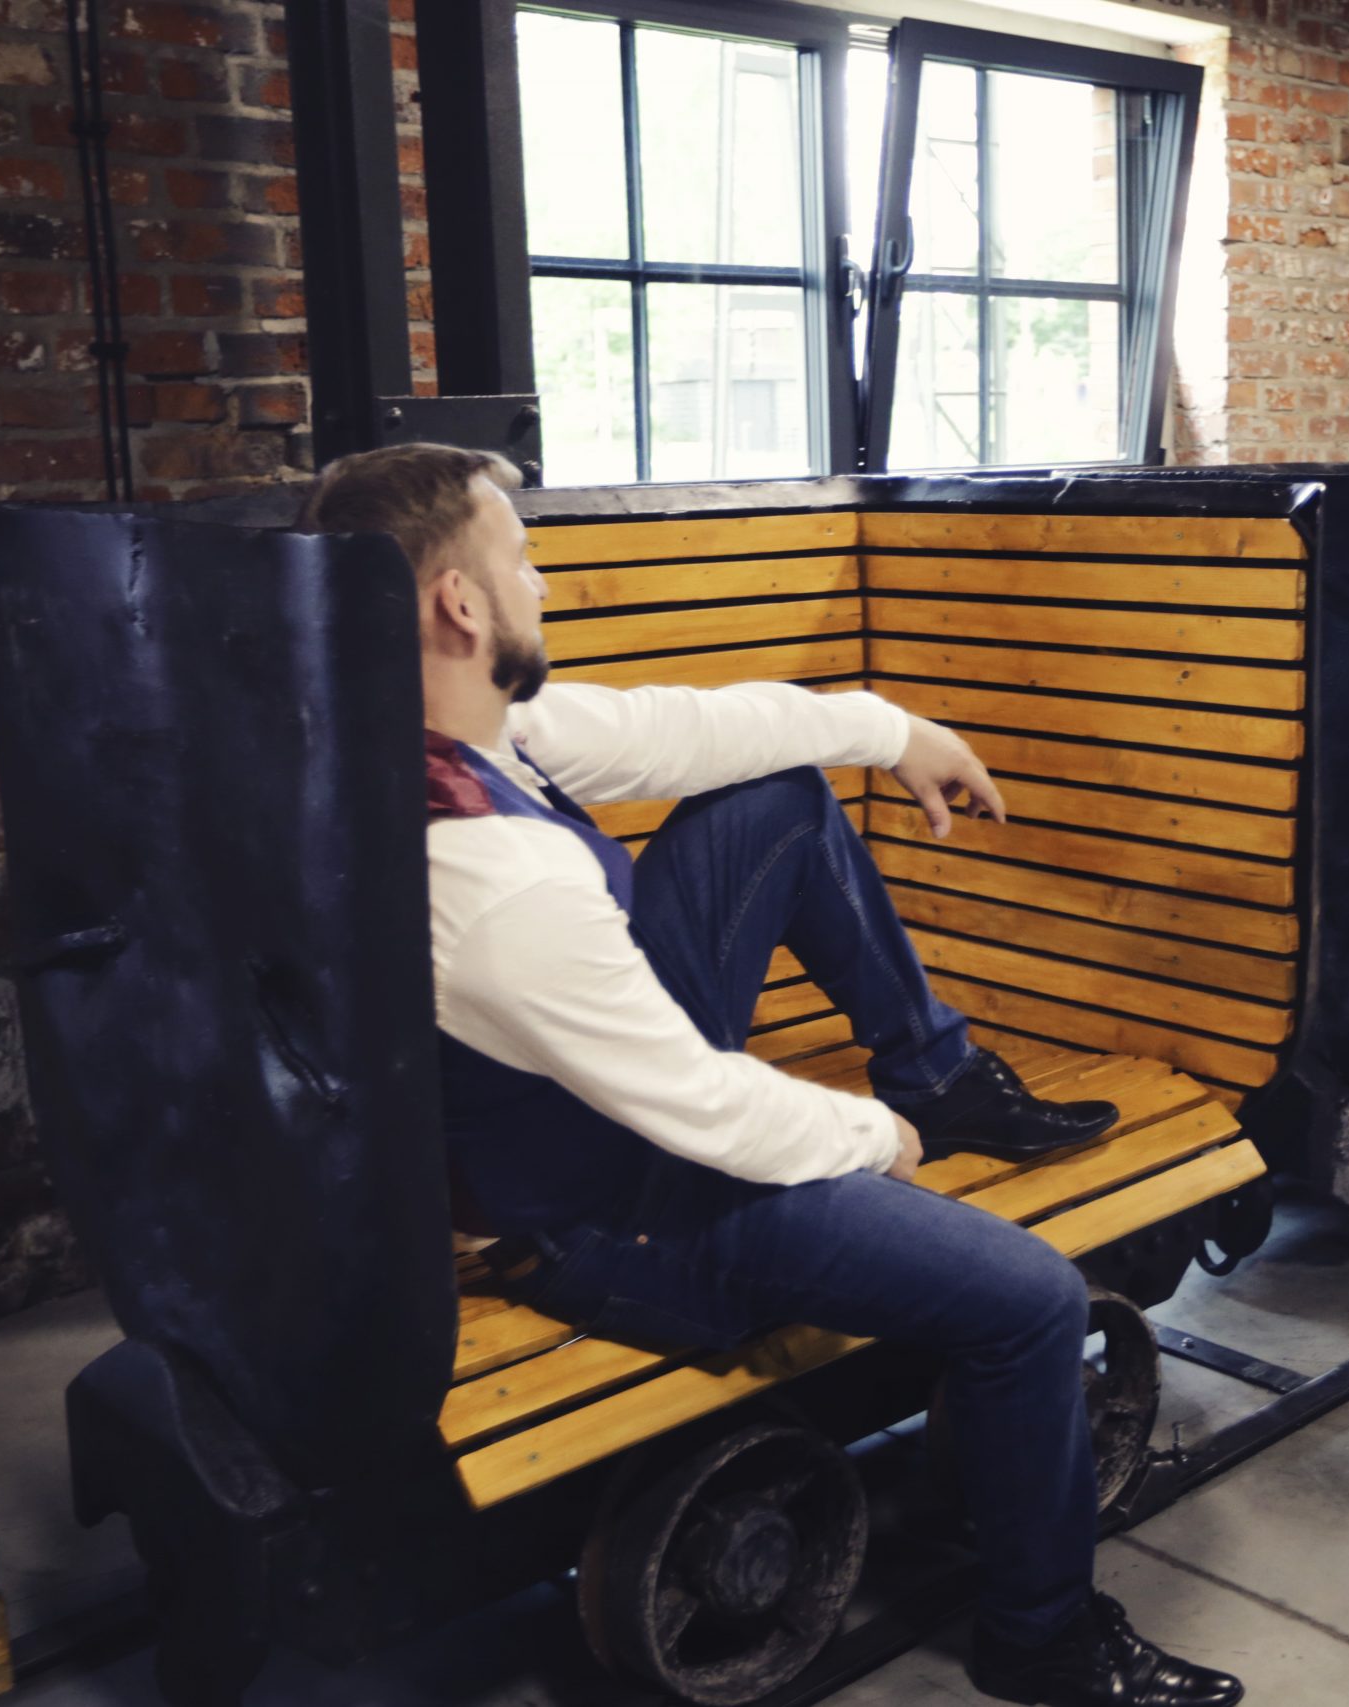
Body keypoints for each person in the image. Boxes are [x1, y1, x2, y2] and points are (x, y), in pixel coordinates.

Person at [298, 444, 1244, 1707]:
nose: (544, 582)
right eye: (520, 557)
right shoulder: (487, 877)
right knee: (1027, 1300)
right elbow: (703, 1109)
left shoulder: (465, 734)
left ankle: (940, 1070)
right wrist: (871, 1138)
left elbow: (696, 727)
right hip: (609, 1208)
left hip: (588, 1091)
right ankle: (1042, 1637)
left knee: (774, 798)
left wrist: (895, 729)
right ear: (460, 604)